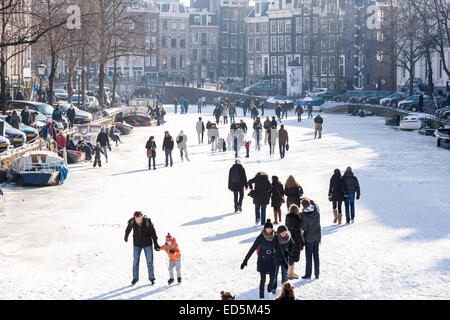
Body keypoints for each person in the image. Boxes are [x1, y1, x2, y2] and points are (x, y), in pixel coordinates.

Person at [240, 219, 287, 299]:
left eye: (270, 228)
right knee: (263, 279)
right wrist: (245, 260)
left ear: (272, 229)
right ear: (265, 228)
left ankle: (269, 290)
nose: (269, 230)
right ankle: (261, 297)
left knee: (272, 279)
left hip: (272, 259)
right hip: (262, 260)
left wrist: (284, 261)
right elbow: (253, 248)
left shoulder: (275, 237)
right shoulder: (261, 237)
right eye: (267, 228)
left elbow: (279, 249)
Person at [124, 211, 160, 286]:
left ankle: (152, 278)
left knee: (150, 262)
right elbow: (128, 229)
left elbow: (153, 232)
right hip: (137, 244)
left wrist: (155, 243)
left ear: (142, 217)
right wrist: (126, 236)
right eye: (137, 219)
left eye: (140, 219)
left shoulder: (148, 221)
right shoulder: (132, 221)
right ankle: (135, 279)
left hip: (148, 244)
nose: (139, 220)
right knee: (135, 262)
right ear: (135, 217)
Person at [300, 198, 321, 280]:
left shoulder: (304, 215)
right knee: (316, 255)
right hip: (317, 236)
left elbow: (303, 228)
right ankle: (317, 273)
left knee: (308, 256)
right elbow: (314, 203)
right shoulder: (316, 211)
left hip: (309, 238)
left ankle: (308, 274)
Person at [273, 225, 294, 294]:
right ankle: (274, 287)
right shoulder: (275, 238)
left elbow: (292, 244)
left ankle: (284, 288)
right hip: (276, 258)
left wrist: (289, 253)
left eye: (285, 232)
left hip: (285, 258)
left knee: (284, 274)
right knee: (274, 274)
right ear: (278, 233)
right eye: (282, 232)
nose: (284, 234)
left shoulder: (288, 237)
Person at [285, 204, 304, 280]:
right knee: (292, 258)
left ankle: (291, 272)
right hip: (296, 240)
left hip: (288, 238)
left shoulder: (287, 216)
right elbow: (299, 233)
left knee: (291, 257)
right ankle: (289, 274)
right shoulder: (298, 218)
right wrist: (302, 243)